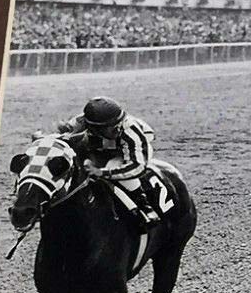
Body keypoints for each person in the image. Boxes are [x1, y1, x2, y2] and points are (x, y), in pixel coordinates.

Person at [54, 96, 170, 226]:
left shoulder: (130, 130)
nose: (117, 129)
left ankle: (144, 206)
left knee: (113, 165)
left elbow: (136, 167)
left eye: (118, 124)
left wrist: (103, 173)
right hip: (99, 144)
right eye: (111, 127)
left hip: (130, 148)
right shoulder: (79, 123)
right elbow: (63, 140)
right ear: (94, 127)